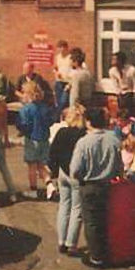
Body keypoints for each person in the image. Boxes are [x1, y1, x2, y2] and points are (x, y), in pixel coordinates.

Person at [70, 108, 123, 268]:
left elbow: (75, 169)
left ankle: (96, 256)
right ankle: (105, 250)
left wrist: (81, 178)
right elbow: (119, 165)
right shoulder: (114, 139)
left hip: (89, 185)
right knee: (105, 219)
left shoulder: (84, 142)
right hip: (108, 185)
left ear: (88, 122)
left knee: (91, 222)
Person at [49, 105, 87, 256]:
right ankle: (71, 243)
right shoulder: (83, 135)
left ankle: (61, 241)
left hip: (62, 174)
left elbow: (53, 154)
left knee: (64, 206)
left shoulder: (61, 132)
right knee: (76, 209)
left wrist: (53, 172)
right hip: (76, 175)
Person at [17, 81, 54, 199]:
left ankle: (33, 190)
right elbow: (51, 121)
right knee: (41, 165)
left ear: (28, 94)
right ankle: (49, 184)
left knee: (32, 166)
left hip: (32, 139)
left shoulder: (26, 109)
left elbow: (23, 124)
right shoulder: (45, 107)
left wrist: (23, 132)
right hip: (44, 138)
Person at [108, 52, 135, 117]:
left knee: (130, 113)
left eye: (114, 59)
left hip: (130, 93)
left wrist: (134, 97)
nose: (112, 61)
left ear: (120, 60)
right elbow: (116, 86)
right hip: (121, 94)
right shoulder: (112, 71)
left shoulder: (131, 70)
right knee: (121, 113)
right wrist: (119, 97)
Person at [54, 40, 72, 111]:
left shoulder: (70, 58)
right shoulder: (57, 57)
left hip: (67, 82)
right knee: (58, 102)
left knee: (64, 102)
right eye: (59, 48)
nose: (61, 50)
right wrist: (56, 73)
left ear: (66, 48)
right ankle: (60, 118)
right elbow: (55, 68)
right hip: (59, 82)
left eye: (62, 48)